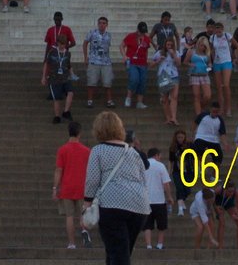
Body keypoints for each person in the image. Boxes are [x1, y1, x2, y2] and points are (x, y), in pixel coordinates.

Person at [83, 111, 150, 264]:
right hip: (139, 205)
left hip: (112, 204)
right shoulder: (133, 152)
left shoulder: (98, 150)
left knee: (117, 252)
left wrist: (87, 204)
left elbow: (92, 180)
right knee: (119, 251)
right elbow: (143, 179)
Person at [53, 121, 92, 250]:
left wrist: (55, 188)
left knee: (69, 216)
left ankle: (71, 243)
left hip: (67, 187)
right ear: (79, 133)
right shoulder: (87, 151)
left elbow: (59, 170)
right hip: (82, 187)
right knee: (83, 214)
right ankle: (85, 232)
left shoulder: (62, 150)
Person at [141, 147, 173, 251]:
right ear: (156, 155)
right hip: (159, 200)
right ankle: (159, 244)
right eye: (159, 156)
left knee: (147, 225)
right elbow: (166, 184)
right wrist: (169, 196)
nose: (160, 158)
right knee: (161, 224)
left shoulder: (142, 166)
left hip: (145, 200)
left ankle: (148, 245)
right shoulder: (160, 166)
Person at [42, 34, 75, 124]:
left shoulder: (67, 53)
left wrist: (72, 74)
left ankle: (66, 111)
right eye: (61, 44)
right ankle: (57, 116)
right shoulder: (52, 51)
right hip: (54, 78)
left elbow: (68, 65)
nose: (62, 46)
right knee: (57, 98)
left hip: (65, 77)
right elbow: (46, 63)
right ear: (57, 43)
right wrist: (44, 77)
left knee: (70, 92)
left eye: (64, 44)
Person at [84, 17, 115, 109]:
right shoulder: (92, 33)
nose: (102, 25)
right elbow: (85, 43)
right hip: (94, 60)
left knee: (107, 82)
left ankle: (109, 101)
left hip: (106, 61)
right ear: (98, 24)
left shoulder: (108, 35)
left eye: (104, 23)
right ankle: (90, 101)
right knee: (91, 82)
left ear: (107, 25)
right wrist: (86, 57)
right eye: (100, 23)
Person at [211, 22, 238, 118]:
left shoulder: (227, 36)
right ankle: (221, 108)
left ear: (222, 29)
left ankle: (228, 108)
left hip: (226, 61)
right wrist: (212, 60)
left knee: (226, 85)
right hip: (217, 62)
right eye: (216, 28)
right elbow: (212, 50)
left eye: (220, 28)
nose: (218, 30)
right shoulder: (212, 37)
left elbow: (237, 46)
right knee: (219, 87)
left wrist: (236, 58)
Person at [151, 38, 181, 126]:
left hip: (174, 75)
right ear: (165, 45)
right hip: (163, 76)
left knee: (174, 97)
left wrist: (173, 55)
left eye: (171, 45)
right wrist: (158, 60)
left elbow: (179, 63)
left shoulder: (176, 52)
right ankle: (168, 118)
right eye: (168, 45)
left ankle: (173, 118)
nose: (169, 46)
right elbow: (151, 65)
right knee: (164, 98)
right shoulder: (159, 52)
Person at [121, 22, 151, 109]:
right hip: (132, 62)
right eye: (141, 32)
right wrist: (124, 56)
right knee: (134, 79)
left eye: (143, 32)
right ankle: (129, 97)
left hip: (142, 63)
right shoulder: (131, 36)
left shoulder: (146, 38)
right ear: (137, 30)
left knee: (142, 82)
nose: (142, 34)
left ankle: (139, 102)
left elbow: (146, 50)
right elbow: (122, 46)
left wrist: (146, 59)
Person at [192, 101, 228, 167]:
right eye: (213, 111)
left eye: (216, 112)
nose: (215, 113)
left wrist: (225, 144)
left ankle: (214, 175)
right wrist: (193, 134)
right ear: (210, 109)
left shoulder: (220, 120)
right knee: (198, 151)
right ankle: (199, 167)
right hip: (201, 137)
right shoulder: (203, 115)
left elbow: (222, 133)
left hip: (213, 140)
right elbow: (195, 123)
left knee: (219, 156)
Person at [168, 129, 194, 218]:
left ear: (185, 137)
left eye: (182, 137)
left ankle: (182, 201)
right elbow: (171, 160)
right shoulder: (173, 148)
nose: (180, 139)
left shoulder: (189, 146)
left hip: (189, 171)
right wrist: (169, 171)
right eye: (178, 137)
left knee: (187, 190)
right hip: (177, 171)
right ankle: (180, 209)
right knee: (179, 188)